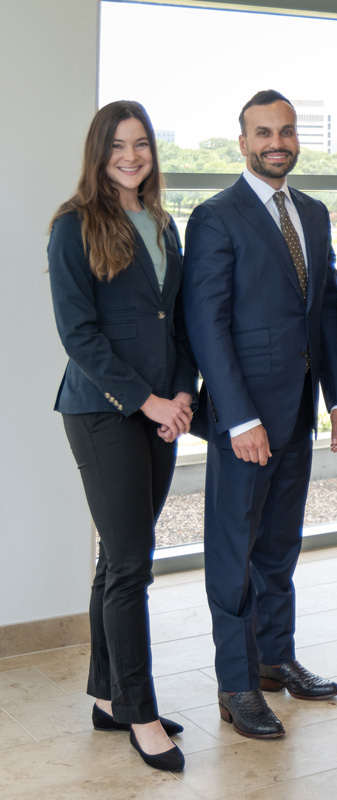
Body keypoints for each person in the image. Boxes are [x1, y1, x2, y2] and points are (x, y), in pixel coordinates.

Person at [182, 90, 337, 739]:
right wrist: (238, 418)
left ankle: (275, 660)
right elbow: (208, 324)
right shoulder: (216, 217)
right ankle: (235, 683)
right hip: (246, 422)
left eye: (285, 131)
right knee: (234, 551)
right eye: (263, 132)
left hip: (301, 414)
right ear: (243, 141)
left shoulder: (311, 212)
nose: (276, 141)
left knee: (279, 546)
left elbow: (327, 313)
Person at [48, 101, 197, 772]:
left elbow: (181, 321)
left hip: (164, 411)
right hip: (104, 410)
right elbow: (79, 335)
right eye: (119, 145)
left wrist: (184, 395)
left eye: (141, 144)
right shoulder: (72, 226)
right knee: (133, 565)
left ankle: (109, 698)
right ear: (99, 152)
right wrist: (148, 400)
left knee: (118, 558)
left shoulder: (165, 223)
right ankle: (141, 712)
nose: (131, 155)